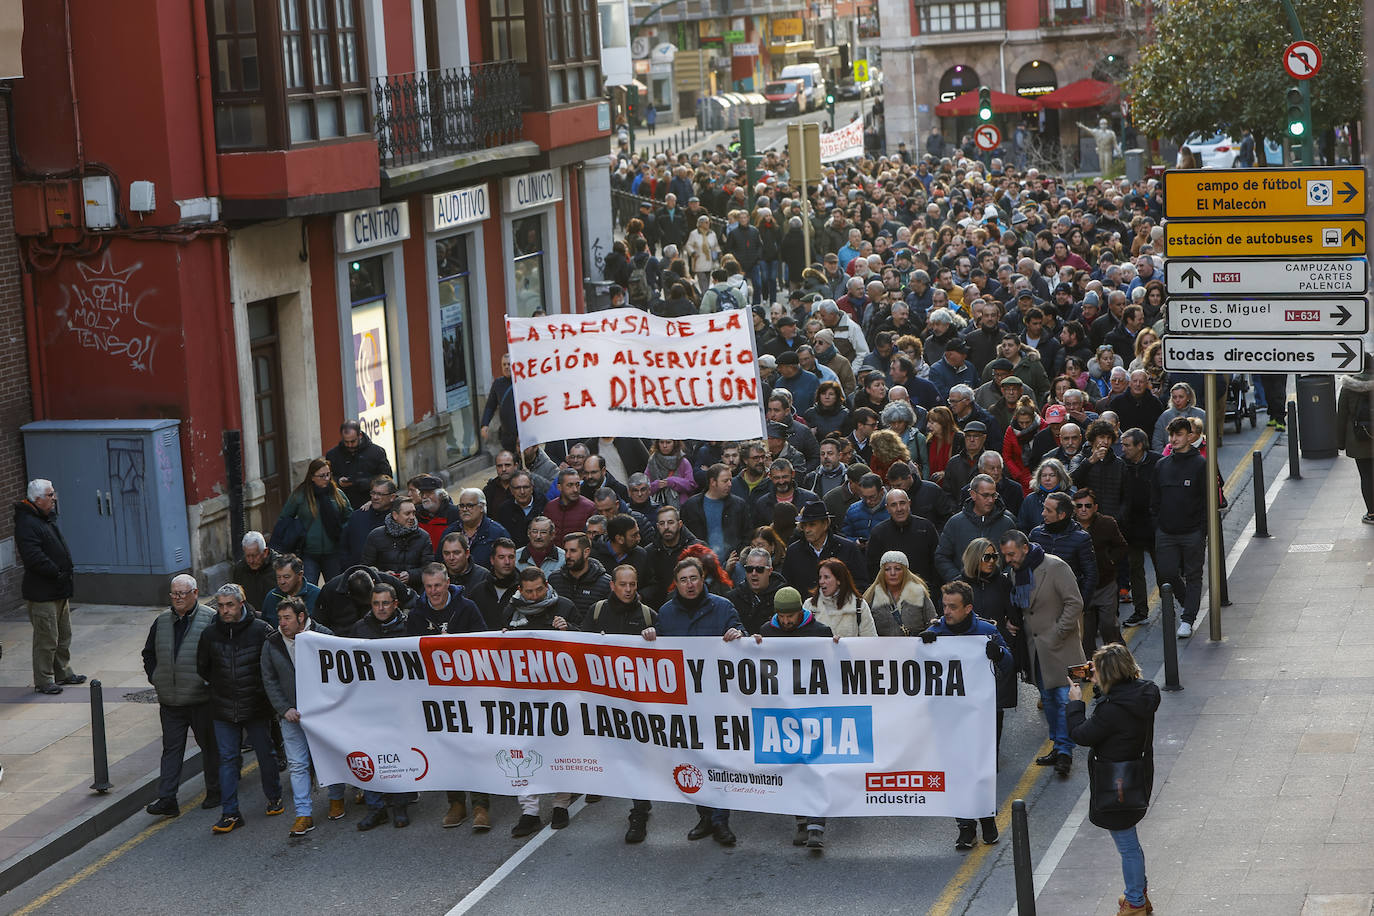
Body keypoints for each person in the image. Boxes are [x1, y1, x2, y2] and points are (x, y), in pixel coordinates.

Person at [645, 558, 745, 845]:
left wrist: (739, 635)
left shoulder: (723, 607)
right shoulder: (666, 612)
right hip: (684, 703)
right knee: (692, 759)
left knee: (718, 759)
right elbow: (658, 654)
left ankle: (721, 820)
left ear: (703, 579)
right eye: (683, 580)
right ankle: (704, 815)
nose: (689, 584)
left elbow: (745, 641)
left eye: (694, 578)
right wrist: (650, 636)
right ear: (676, 584)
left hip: (718, 700)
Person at [1066, 644, 1161, 915]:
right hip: (1137, 774)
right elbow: (1116, 708)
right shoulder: (1142, 693)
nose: (1090, 673)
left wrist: (1075, 704)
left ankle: (1135, 903)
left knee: (1127, 844)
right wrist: (1101, 686)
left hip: (1117, 783)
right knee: (1129, 839)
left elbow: (1082, 735)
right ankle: (1137, 893)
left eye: (1096, 670)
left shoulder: (1112, 710)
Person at [919, 581, 1012, 850]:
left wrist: (999, 655)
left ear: (968, 608)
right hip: (948, 717)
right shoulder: (935, 632)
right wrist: (921, 646)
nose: (946, 611)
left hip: (982, 714)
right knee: (957, 770)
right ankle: (965, 826)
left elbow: (1009, 664)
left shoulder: (987, 631)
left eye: (953, 607)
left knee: (981, 768)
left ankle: (987, 818)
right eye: (944, 605)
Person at [752, 585, 836, 850]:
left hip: (814, 709)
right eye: (782, 616)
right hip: (783, 711)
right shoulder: (767, 632)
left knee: (815, 766)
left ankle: (816, 827)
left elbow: (833, 668)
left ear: (801, 611)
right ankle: (801, 821)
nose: (787, 621)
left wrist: (838, 647)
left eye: (791, 616)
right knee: (793, 766)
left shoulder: (820, 632)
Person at [999, 529, 1086, 779]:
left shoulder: (1056, 566)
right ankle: (1058, 744)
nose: (1008, 560)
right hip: (1035, 650)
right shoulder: (1016, 573)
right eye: (1005, 555)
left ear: (1025, 548)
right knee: (1048, 700)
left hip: (1060, 647)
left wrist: (1058, 632)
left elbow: (1074, 602)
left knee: (1062, 699)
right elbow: (1020, 608)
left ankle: (1065, 752)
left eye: (1011, 554)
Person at [196, 584, 282, 834]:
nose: (225, 610)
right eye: (221, 606)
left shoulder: (261, 630)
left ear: (241, 604)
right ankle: (230, 812)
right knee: (228, 760)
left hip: (256, 707)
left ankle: (274, 796)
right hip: (223, 708)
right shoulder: (210, 635)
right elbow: (203, 668)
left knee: (266, 753)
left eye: (229, 605)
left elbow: (272, 666)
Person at [582, 564, 658, 843]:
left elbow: (664, 658)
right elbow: (581, 648)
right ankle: (599, 778)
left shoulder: (648, 615)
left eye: (633, 585)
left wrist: (653, 639)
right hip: (604, 698)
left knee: (638, 755)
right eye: (623, 585)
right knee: (605, 745)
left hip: (637, 700)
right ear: (612, 585)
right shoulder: (598, 611)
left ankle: (639, 810)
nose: (628, 590)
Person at [261, 595, 343, 836]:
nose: (282, 623)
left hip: (324, 713)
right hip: (291, 715)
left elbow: (340, 670)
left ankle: (336, 798)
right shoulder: (272, 643)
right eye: (280, 619)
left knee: (329, 757)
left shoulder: (324, 635)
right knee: (298, 765)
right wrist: (284, 708)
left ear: (301, 617)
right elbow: (269, 679)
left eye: (287, 618)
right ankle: (303, 814)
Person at [142, 574, 221, 817]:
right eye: (174, 594)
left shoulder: (210, 619)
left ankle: (216, 791)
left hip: (201, 700)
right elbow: (148, 654)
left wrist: (208, 682)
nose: (177, 598)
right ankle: (167, 798)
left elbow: (219, 656)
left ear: (195, 594)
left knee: (210, 747)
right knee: (171, 749)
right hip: (171, 701)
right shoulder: (162, 621)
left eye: (182, 594)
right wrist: (156, 677)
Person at [349, 583, 415, 830]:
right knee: (370, 754)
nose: (380, 608)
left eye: (385, 603)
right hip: (370, 704)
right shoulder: (359, 629)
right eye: (376, 603)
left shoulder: (408, 627)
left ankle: (399, 806)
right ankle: (375, 808)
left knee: (397, 755)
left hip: (400, 705)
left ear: (395, 604)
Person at [16, 478, 82, 694]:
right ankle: (44, 680)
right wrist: (57, 572)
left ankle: (63, 672)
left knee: (64, 634)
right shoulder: (27, 523)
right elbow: (33, 557)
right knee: (46, 638)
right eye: (50, 495)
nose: (54, 498)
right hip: (42, 592)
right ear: (37, 499)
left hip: (59, 589)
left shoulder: (45, 518)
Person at [958, 538, 1021, 746]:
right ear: (975, 558)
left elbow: (1014, 614)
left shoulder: (1003, 582)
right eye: (987, 557)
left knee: (996, 705)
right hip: (968, 654)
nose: (992, 561)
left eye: (995, 556)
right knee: (970, 704)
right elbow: (950, 616)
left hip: (996, 651)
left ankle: (991, 752)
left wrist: (1010, 632)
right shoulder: (960, 584)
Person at [1152, 417, 1208, 638]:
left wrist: (1202, 529)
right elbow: (1154, 500)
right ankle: (1188, 603)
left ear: (1190, 436)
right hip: (1166, 532)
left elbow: (1206, 500)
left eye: (1180, 434)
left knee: (1194, 574)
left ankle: (1188, 618)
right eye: (1172, 435)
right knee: (1166, 572)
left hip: (1192, 531)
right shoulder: (1161, 465)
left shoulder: (1200, 464)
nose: (1174, 439)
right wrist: (1157, 525)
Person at [276, 458, 352, 584]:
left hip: (333, 552)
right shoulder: (300, 495)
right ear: (312, 477)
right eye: (322, 476)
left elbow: (349, 516)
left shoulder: (337, 494)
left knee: (335, 589)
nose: (326, 478)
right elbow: (285, 519)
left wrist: (343, 531)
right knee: (309, 588)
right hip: (308, 553)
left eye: (328, 475)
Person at [1072, 489, 1128, 658]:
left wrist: (1109, 561)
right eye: (1079, 506)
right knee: (1086, 633)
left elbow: (1122, 546)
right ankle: (1091, 668)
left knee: (1108, 626)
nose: (1083, 509)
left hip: (1106, 584)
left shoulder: (1107, 523)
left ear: (1095, 507)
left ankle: (1120, 662)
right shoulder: (1069, 526)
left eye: (1087, 505)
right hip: (1082, 587)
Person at [936, 475, 1018, 585]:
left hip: (997, 591)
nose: (990, 500)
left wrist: (1004, 578)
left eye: (993, 495)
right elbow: (942, 556)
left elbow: (1016, 555)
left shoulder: (1007, 523)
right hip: (964, 592)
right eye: (985, 495)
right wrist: (957, 579)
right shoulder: (955, 523)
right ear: (973, 495)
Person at [782, 502, 869, 595]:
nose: (807, 530)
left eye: (812, 524)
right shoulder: (794, 551)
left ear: (825, 524)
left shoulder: (848, 549)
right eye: (804, 525)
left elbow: (860, 584)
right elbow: (787, 586)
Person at [866, 488, 941, 588]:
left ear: (909, 503)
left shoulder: (926, 527)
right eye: (893, 505)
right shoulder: (878, 533)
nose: (899, 509)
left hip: (924, 591)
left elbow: (936, 562)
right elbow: (873, 568)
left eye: (902, 503)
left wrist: (933, 591)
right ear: (887, 508)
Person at [1335, 354, 1374, 523]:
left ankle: (1372, 514)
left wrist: (1340, 443)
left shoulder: (1348, 388)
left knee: (1366, 476)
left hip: (1359, 439)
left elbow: (1341, 417)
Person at [361, 497, 431, 590]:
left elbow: (429, 568)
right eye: (407, 514)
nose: (412, 517)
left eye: (414, 513)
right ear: (395, 515)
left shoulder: (423, 537)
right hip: (383, 591)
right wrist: (384, 575)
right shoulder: (375, 536)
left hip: (414, 591)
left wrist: (411, 575)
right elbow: (365, 567)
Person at [863, 551, 937, 636]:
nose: (892, 573)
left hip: (915, 647)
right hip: (882, 647)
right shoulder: (871, 597)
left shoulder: (919, 594)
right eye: (887, 569)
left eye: (897, 568)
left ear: (905, 572)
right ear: (882, 573)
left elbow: (932, 622)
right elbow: (865, 629)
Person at [325, 420, 394, 509]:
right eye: (346, 442)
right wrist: (338, 481)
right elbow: (327, 479)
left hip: (370, 503)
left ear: (360, 435)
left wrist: (360, 483)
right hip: (343, 504)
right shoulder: (332, 454)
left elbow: (387, 478)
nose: (349, 445)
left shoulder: (376, 452)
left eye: (353, 441)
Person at [803, 558, 876, 636]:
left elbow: (870, 641)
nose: (821, 581)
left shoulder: (859, 605)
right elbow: (803, 640)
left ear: (839, 580)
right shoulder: (809, 605)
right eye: (820, 577)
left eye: (826, 577)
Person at [440, 489, 511, 570]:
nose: (465, 509)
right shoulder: (449, 532)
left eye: (470, 505)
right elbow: (440, 561)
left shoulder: (498, 533)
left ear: (481, 507)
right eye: (462, 506)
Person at [231, 531, 281, 613]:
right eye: (247, 556)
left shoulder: (279, 567)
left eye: (254, 556)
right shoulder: (240, 569)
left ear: (265, 552)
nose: (250, 560)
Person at [261, 554, 322, 619]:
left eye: (286, 577)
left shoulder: (316, 595)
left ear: (300, 575)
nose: (282, 582)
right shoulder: (272, 596)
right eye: (278, 577)